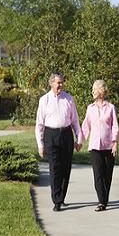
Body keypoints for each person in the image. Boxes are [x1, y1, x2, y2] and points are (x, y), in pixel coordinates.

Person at [35, 73, 82, 212]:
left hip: (66, 134)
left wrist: (78, 139)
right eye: (58, 83)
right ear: (51, 83)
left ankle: (61, 197)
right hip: (51, 135)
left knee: (65, 168)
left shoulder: (69, 99)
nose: (60, 85)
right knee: (55, 168)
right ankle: (56, 201)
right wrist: (40, 145)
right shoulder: (44, 100)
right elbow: (39, 125)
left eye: (62, 82)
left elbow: (75, 121)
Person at [82, 80, 119, 212]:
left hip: (108, 146)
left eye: (95, 89)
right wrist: (80, 140)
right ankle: (101, 201)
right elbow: (86, 125)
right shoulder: (90, 108)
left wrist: (115, 143)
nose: (92, 91)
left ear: (102, 91)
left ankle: (104, 199)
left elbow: (115, 126)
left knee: (107, 175)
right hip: (94, 146)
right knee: (98, 174)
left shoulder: (111, 108)